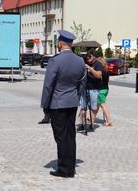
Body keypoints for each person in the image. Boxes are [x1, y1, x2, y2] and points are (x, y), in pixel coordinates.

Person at [41, 30, 85, 178]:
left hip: (58, 103)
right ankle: (70, 167)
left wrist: (45, 105)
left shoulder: (55, 60)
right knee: (70, 136)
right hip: (72, 102)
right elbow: (82, 83)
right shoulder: (79, 61)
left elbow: (48, 85)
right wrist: (75, 97)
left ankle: (64, 169)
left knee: (60, 137)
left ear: (60, 43)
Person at [77, 49, 102, 131]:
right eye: (87, 57)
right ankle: (82, 124)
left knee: (93, 108)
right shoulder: (84, 62)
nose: (88, 58)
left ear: (94, 56)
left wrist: (90, 68)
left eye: (89, 57)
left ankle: (91, 124)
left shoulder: (98, 64)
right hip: (84, 88)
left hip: (94, 89)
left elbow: (98, 75)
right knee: (83, 107)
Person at [95, 57, 113, 126]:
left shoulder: (100, 72)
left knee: (103, 105)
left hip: (101, 90)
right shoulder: (106, 71)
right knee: (97, 105)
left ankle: (109, 121)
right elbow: (107, 81)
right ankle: (91, 118)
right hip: (106, 89)